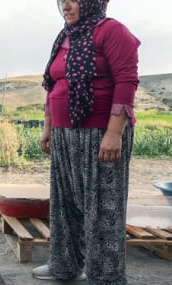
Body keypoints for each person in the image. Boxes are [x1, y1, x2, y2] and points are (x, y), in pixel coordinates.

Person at [34, 0, 140, 284]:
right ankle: (65, 265)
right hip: (64, 133)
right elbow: (53, 86)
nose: (65, 6)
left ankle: (105, 275)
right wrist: (48, 128)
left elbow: (126, 81)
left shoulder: (112, 31)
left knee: (102, 207)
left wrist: (114, 133)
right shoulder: (66, 35)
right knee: (64, 203)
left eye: (73, 0)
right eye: (61, 1)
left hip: (100, 133)